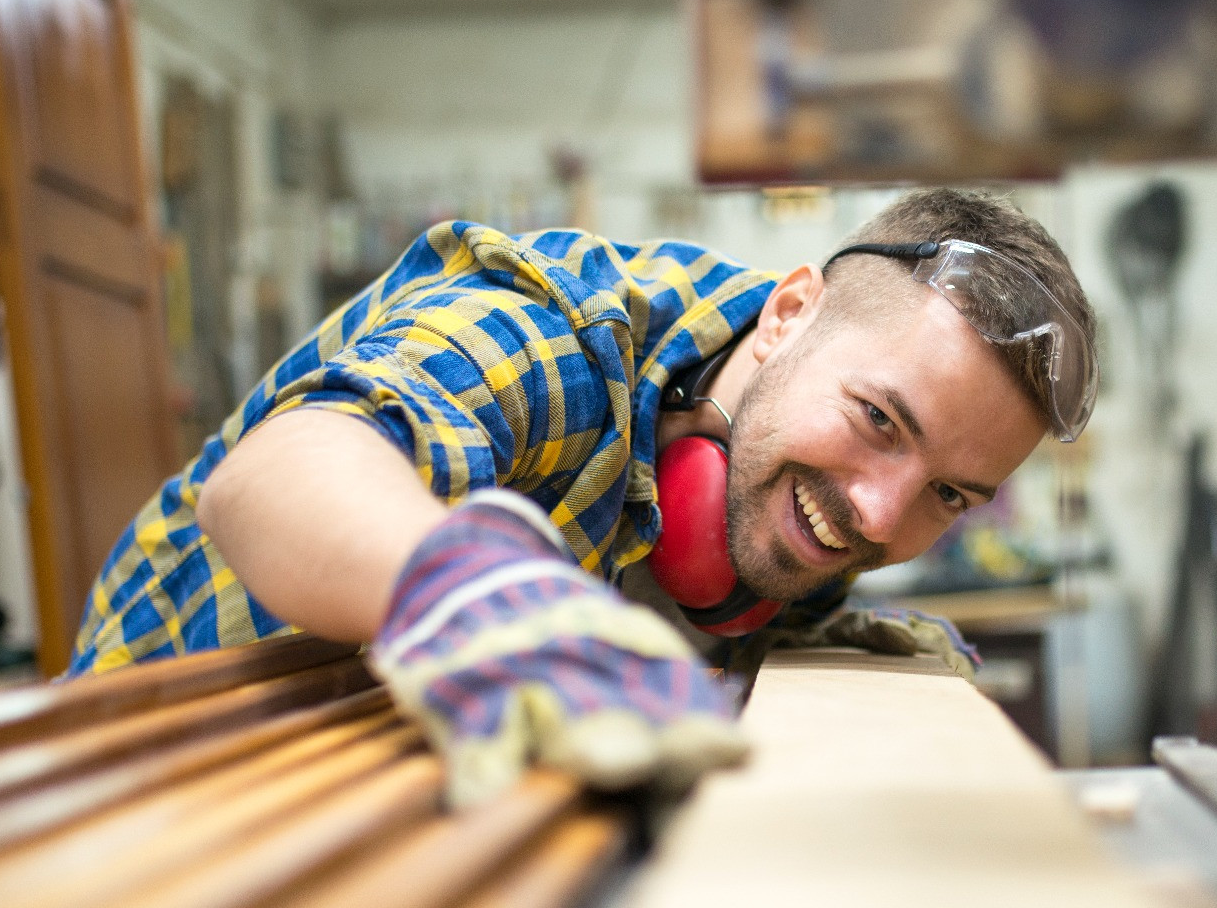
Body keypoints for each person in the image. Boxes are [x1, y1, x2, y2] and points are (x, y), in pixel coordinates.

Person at [69, 188, 1096, 806]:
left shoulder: (789, 481)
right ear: (788, 313)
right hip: (144, 773)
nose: (879, 518)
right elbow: (271, 475)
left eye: (950, 496)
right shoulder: (557, 334)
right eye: (880, 420)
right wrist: (466, 593)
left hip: (373, 804)